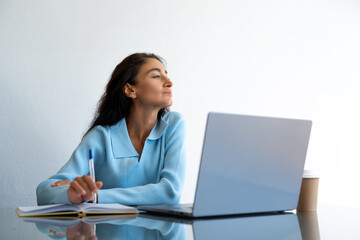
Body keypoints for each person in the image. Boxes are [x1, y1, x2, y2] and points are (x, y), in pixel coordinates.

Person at [36, 53, 186, 206]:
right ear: (130, 90)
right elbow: (44, 192)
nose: (169, 83)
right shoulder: (102, 137)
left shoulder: (174, 125)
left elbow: (170, 193)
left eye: (166, 75)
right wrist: (70, 193)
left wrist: (96, 196)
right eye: (156, 76)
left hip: (160, 230)